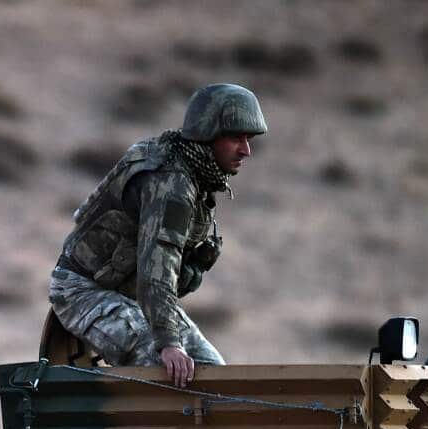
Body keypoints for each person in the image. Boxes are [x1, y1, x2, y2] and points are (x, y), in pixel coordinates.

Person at [48, 83, 266, 387]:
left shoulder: (195, 175)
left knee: (214, 375)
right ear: (207, 134)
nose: (246, 150)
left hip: (134, 297)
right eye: (235, 138)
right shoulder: (171, 184)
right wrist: (168, 342)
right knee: (165, 370)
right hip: (83, 291)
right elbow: (157, 267)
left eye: (248, 139)